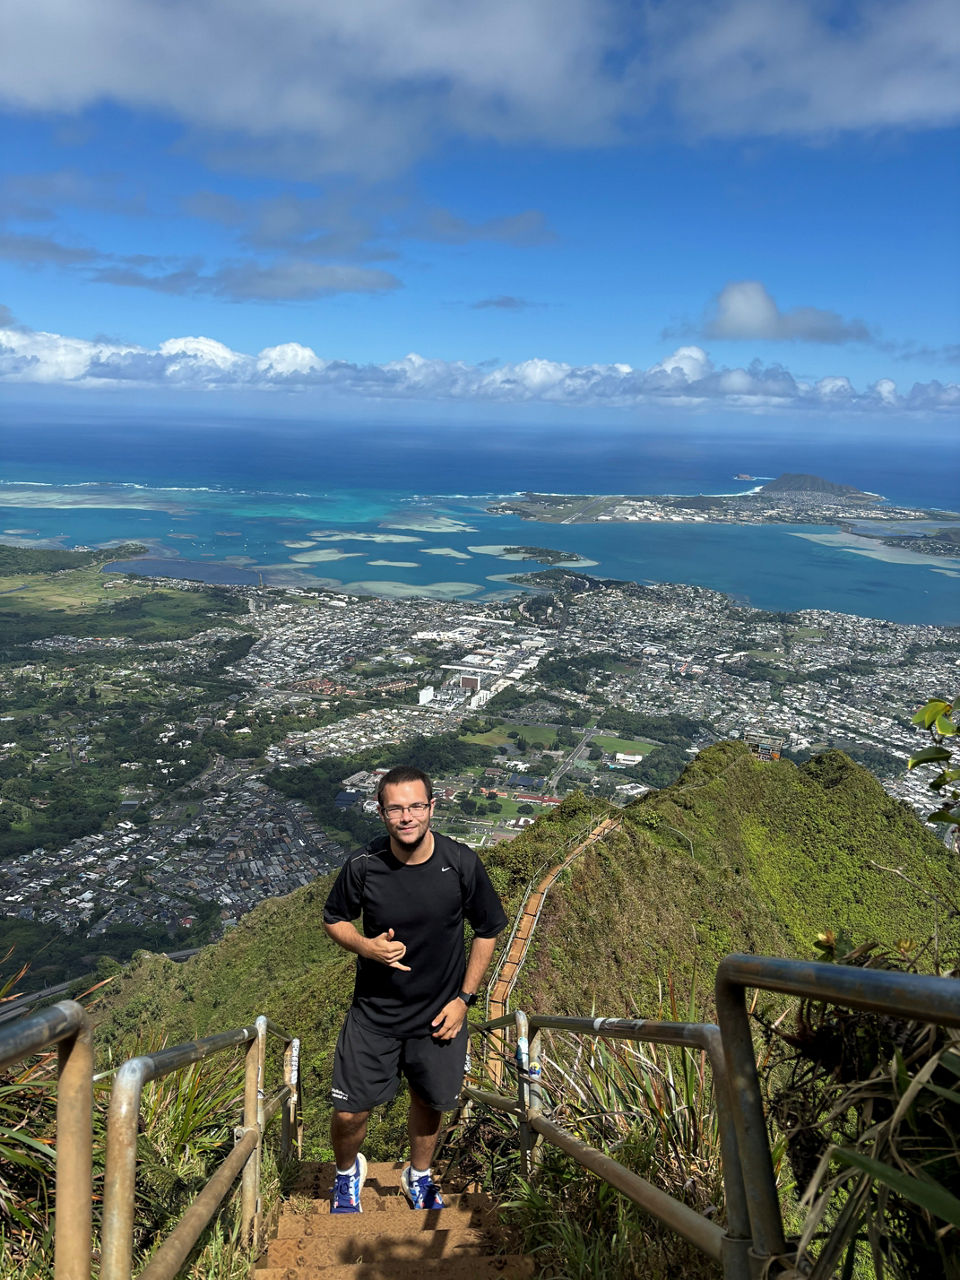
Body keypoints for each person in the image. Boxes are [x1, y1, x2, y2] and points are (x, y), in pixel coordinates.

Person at [322, 765, 507, 1214]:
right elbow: (334, 919)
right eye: (396, 808)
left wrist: (464, 1001)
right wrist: (366, 947)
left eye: (416, 806)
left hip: (439, 1014)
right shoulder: (363, 866)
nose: (407, 817)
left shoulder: (460, 863)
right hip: (374, 1015)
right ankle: (347, 1174)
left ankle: (418, 1175)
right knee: (349, 1111)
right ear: (382, 813)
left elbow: (488, 929)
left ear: (431, 807)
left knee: (431, 1101)